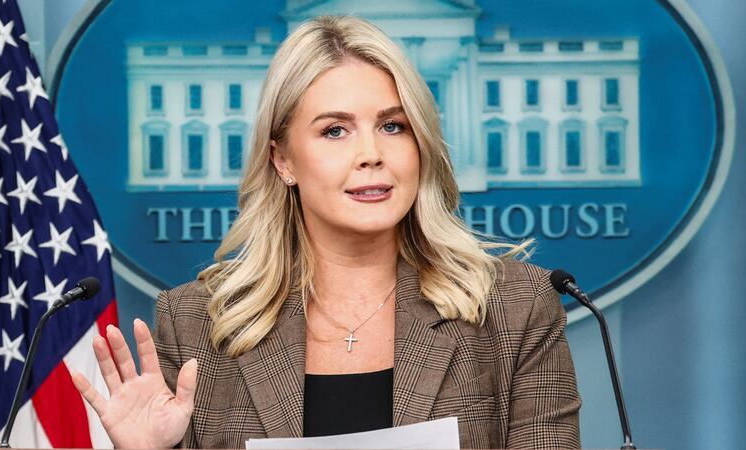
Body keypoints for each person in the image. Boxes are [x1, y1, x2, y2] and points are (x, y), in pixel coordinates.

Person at [70, 15, 581, 449]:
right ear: (283, 160)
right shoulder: (196, 324)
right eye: (335, 130)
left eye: (393, 126)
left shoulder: (515, 307)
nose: (370, 154)